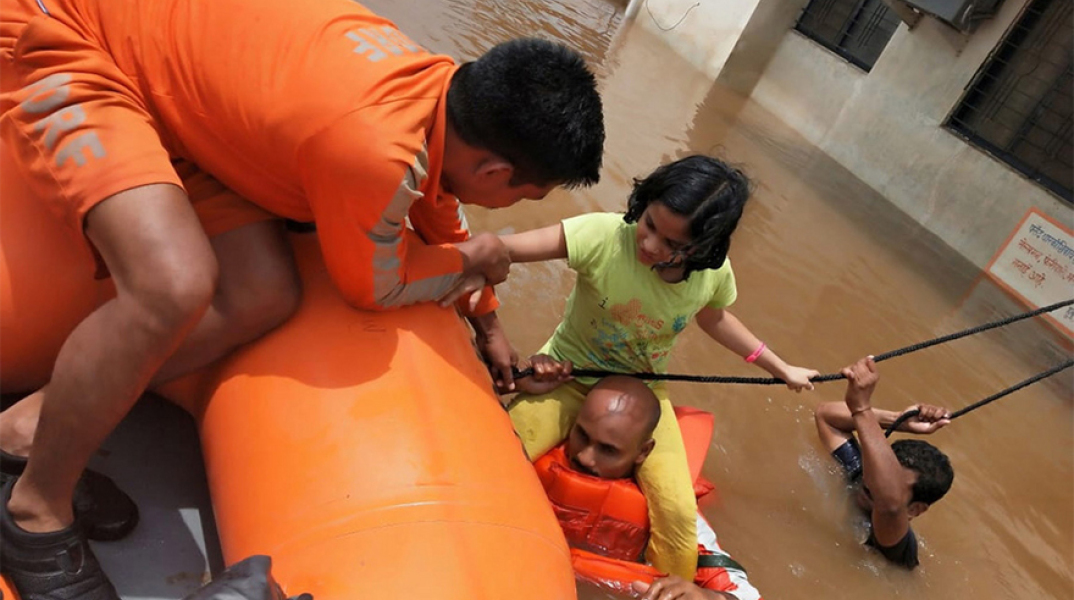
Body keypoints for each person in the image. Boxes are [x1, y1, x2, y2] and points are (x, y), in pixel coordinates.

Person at [0, 0, 605, 595]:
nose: (511, 208)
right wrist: (474, 259)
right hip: (62, 36)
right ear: (497, 172)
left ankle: (29, 428)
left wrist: (489, 324)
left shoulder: (433, 83)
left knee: (263, 293)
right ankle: (33, 512)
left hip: (177, 99)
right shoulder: (372, 147)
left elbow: (436, 203)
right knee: (172, 284)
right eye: (526, 195)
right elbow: (377, 285)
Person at [500, 155, 818, 580]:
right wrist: (486, 321)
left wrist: (782, 369)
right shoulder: (604, 236)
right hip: (567, 377)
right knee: (501, 450)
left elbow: (716, 318)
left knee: (676, 510)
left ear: (704, 248)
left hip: (645, 399)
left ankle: (673, 590)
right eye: (649, 224)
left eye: (673, 245)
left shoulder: (712, 275)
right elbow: (504, 250)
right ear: (642, 203)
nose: (650, 245)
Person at [516, 363, 761, 600]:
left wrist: (708, 597)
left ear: (643, 452)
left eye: (608, 450)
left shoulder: (669, 515)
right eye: (582, 434)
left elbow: (747, 595)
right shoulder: (525, 459)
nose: (584, 457)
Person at [813, 356, 955, 569]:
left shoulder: (895, 540)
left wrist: (861, 408)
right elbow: (825, 415)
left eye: (889, 481)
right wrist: (897, 420)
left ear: (914, 510)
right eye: (880, 470)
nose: (871, 484)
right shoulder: (864, 474)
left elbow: (889, 503)